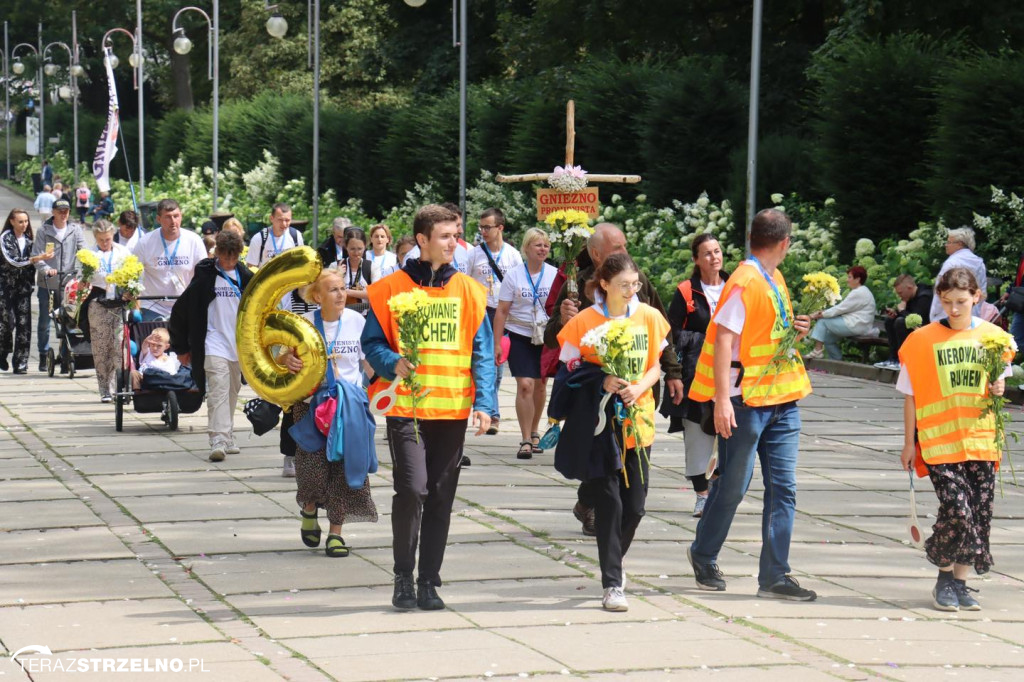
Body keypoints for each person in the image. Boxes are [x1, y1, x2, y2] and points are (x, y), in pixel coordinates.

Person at [361, 203, 496, 611]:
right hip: (407, 408)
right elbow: (372, 343)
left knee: (439, 496)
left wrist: (486, 404)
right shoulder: (389, 288)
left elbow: (483, 354)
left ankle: (428, 581)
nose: (454, 242)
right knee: (411, 489)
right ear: (422, 240)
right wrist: (390, 362)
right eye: (445, 236)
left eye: (456, 235)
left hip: (452, 411)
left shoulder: (471, 291)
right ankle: (403, 574)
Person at [686, 208, 817, 601]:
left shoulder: (773, 277)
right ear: (784, 243)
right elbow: (724, 337)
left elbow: (765, 330)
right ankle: (703, 553)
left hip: (782, 399)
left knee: (784, 488)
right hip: (746, 401)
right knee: (733, 487)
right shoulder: (745, 280)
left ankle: (775, 575)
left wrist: (796, 327)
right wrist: (722, 399)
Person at [543, 222, 683, 536]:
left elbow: (662, 330)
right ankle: (593, 506)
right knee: (600, 459)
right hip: (594, 396)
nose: (624, 252)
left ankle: (593, 506)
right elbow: (553, 340)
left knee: (629, 468)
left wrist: (672, 373)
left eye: (623, 245)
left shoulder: (638, 281)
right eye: (616, 248)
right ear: (595, 254)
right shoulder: (573, 286)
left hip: (635, 396)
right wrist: (563, 320)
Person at [556, 253, 670, 611]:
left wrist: (639, 388)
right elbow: (566, 375)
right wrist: (600, 380)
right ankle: (612, 583)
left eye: (635, 284)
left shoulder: (649, 317)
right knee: (611, 504)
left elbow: (656, 365)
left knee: (635, 507)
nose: (632, 290)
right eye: (624, 285)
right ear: (604, 285)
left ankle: (614, 563)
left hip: (639, 423)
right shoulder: (585, 322)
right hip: (601, 427)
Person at [898, 267, 1011, 612]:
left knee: (979, 513)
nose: (955, 310)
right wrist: (907, 442)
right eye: (947, 303)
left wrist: (999, 386)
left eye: (961, 301)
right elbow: (910, 394)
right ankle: (942, 569)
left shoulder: (994, 338)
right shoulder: (921, 341)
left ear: (977, 297)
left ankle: (958, 583)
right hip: (938, 441)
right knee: (957, 511)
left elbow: (1000, 384)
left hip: (980, 439)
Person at [278, 269, 378, 557]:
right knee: (311, 471)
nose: (341, 294)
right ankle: (309, 510)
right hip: (311, 408)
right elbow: (282, 356)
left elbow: (367, 363)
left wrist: (386, 387)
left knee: (343, 472)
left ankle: (336, 534)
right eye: (333, 290)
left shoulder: (357, 321)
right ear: (317, 296)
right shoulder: (305, 324)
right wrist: (288, 360)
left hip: (349, 409)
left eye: (343, 288)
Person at [169, 230, 254, 461]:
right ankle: (216, 438)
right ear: (217, 253)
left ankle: (228, 436)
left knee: (232, 390)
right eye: (224, 257)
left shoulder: (246, 277)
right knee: (218, 390)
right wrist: (181, 347)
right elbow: (181, 311)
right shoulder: (206, 275)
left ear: (238, 255)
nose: (227, 262)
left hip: (238, 345)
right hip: (212, 342)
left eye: (232, 257)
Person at [661, 233, 729, 517]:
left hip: (730, 375)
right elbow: (671, 334)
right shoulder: (687, 291)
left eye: (717, 251)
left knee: (729, 436)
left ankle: (717, 484)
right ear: (696, 260)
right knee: (697, 433)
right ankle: (702, 494)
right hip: (693, 375)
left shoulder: (735, 287)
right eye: (708, 253)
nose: (714, 257)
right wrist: (673, 373)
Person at [492, 228, 555, 458]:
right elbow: (502, 311)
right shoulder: (514, 275)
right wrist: (497, 342)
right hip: (520, 334)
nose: (542, 249)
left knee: (540, 385)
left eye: (546, 245)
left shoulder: (554, 274)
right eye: (538, 245)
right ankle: (526, 438)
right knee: (525, 385)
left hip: (545, 337)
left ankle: (536, 429)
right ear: (527, 248)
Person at [468, 208, 523, 435]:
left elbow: (520, 285)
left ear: (500, 228)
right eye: (481, 227)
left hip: (504, 314)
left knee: (498, 366)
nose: (483, 231)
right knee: (484, 362)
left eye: (487, 227)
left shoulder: (512, 255)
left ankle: (491, 408)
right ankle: (492, 413)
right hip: (481, 312)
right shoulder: (474, 254)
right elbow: (467, 282)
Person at [30, 198, 85, 372]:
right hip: (48, 283)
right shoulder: (44, 231)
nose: (63, 214)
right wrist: (46, 269)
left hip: (68, 284)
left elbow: (84, 252)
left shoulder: (75, 230)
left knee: (68, 321)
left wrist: (83, 270)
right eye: (60, 211)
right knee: (45, 322)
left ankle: (66, 355)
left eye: (66, 211)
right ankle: (43, 354)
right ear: (53, 212)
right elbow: (36, 256)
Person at [133, 199, 209, 321]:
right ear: (158, 219)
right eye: (168, 217)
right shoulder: (145, 243)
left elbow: (204, 275)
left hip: (185, 305)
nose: (173, 222)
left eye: (176, 216)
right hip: (153, 307)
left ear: (181, 216)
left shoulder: (194, 241)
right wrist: (136, 308)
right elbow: (134, 277)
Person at [82, 220, 130, 402]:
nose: (105, 243)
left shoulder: (123, 252)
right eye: (101, 240)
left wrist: (129, 290)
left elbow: (133, 273)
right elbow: (82, 278)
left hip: (118, 301)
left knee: (120, 344)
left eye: (108, 239)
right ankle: (104, 387)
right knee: (101, 346)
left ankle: (121, 385)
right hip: (98, 301)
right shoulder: (89, 255)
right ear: (95, 238)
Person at [1, 209, 46, 374]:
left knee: (24, 325)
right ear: (12, 221)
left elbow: (34, 265)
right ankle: (2, 352)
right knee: (6, 324)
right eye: (20, 221)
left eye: (26, 221)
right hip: (5, 288)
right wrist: (34, 259)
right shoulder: (5, 238)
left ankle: (21, 363)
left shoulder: (29, 242)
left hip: (23, 289)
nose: (24, 225)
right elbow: (13, 261)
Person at [805, 266, 877, 360]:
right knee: (828, 339)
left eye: (850, 277)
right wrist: (823, 313)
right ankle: (836, 362)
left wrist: (820, 315)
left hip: (857, 325)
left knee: (823, 321)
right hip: (858, 325)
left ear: (858, 279)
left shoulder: (859, 292)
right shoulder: (861, 291)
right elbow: (842, 309)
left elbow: (840, 309)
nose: (847, 280)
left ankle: (817, 351)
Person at [246, 203, 304, 309]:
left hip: (289, 291)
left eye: (288, 220)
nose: (284, 224)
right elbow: (250, 267)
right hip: (266, 292)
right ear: (271, 218)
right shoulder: (259, 238)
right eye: (280, 220)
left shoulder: (295, 236)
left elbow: (301, 263)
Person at [874, 274, 933, 370]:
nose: (899, 296)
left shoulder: (925, 297)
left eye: (900, 293)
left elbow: (917, 321)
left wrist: (902, 311)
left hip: (924, 332)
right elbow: (908, 315)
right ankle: (893, 358)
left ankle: (903, 359)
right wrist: (895, 313)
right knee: (890, 320)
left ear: (909, 288)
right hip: (912, 331)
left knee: (900, 322)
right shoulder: (909, 297)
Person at [931, 227, 987, 321]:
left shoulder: (951, 263)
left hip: (949, 317)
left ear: (960, 244)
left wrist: (934, 316)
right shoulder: (979, 263)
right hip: (972, 315)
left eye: (949, 242)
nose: (946, 245)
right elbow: (982, 292)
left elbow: (940, 292)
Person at [402, 203, 470, 274]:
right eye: (445, 236)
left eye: (453, 235)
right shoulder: (412, 256)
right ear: (422, 240)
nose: (461, 230)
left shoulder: (462, 251)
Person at [340, 228, 372, 315]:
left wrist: (347, 291)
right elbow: (328, 291)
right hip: (341, 315)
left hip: (365, 316)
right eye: (352, 249)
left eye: (360, 249)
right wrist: (337, 276)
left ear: (365, 246)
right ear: (346, 247)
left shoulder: (372, 267)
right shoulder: (336, 266)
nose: (356, 252)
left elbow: (374, 294)